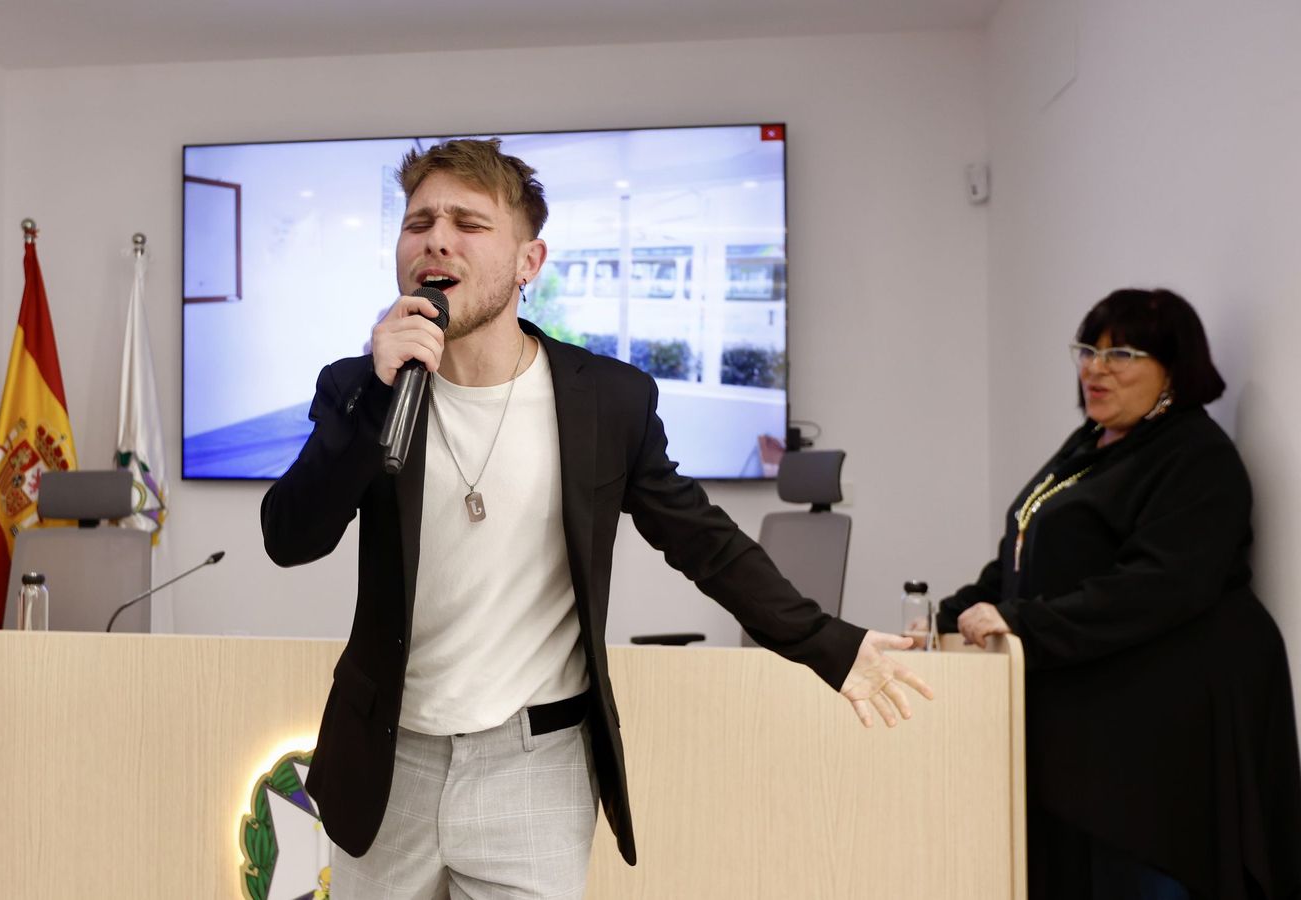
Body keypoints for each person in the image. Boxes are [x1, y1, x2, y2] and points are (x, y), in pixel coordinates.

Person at [261, 138, 932, 898]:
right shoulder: (361, 388)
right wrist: (374, 403)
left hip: (536, 766)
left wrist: (827, 644)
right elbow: (290, 537)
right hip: (390, 762)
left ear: (529, 261)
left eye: (469, 224)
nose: (437, 240)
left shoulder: (606, 400)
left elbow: (702, 541)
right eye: (419, 223)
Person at [938, 288, 1301, 900]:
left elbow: (1155, 587)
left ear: (1174, 370)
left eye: (1121, 355)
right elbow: (1023, 552)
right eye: (1087, 351)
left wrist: (1022, 622)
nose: (1095, 369)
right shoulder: (1091, 443)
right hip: (1094, 714)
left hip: (1165, 724)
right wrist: (947, 617)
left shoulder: (1196, 455)